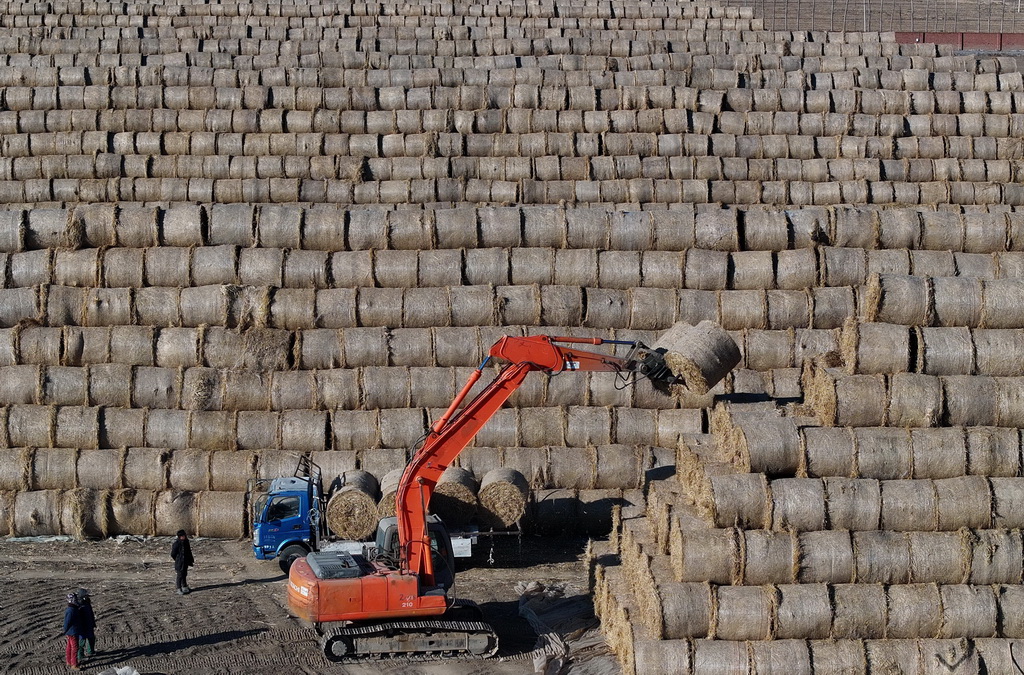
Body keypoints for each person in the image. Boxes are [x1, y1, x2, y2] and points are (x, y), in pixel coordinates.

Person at [171, 530, 195, 595]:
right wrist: (178, 559)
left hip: (185, 562)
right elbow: (173, 554)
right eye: (182, 536)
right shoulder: (176, 544)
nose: (183, 537)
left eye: (184, 536)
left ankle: (184, 586)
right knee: (179, 575)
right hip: (179, 562)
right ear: (179, 537)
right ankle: (179, 588)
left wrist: (191, 559)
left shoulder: (186, 542)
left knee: (184, 574)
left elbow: (189, 552)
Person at [62, 593, 81, 670]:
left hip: (71, 632)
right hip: (73, 632)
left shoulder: (72, 609)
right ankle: (74, 664)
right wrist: (65, 630)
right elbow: (67, 622)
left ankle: (69, 661)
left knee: (69, 647)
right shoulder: (71, 610)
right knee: (75, 648)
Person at [76, 589, 96, 661]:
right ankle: (80, 655)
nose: (87, 596)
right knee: (82, 641)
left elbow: (90, 613)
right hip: (83, 626)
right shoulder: (79, 605)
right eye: (86, 595)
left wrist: (93, 623)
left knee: (91, 638)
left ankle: (91, 651)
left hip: (89, 624)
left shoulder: (87, 603)